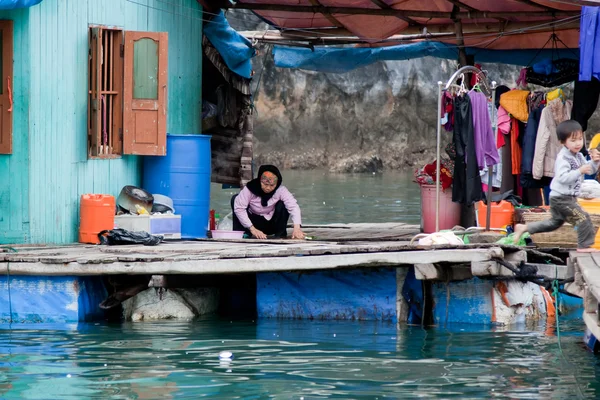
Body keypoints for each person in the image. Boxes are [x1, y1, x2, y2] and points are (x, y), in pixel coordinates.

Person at [513, 120, 600, 251]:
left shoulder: (579, 155)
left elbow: (589, 169)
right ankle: (584, 246)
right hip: (562, 198)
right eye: (573, 140)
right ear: (563, 142)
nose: (578, 143)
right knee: (583, 218)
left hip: (564, 198)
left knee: (554, 223)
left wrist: (595, 162)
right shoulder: (563, 158)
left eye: (580, 139)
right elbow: (563, 178)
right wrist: (579, 171)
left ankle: (525, 228)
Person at [231, 165, 305, 239]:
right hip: (252, 223)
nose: (268, 188)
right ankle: (243, 233)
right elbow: (239, 209)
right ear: (260, 181)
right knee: (235, 199)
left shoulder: (281, 190)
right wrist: (252, 229)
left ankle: (280, 234)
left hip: (271, 223)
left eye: (272, 185)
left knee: (282, 204)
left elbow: (293, 207)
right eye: (265, 184)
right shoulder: (249, 189)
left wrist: (297, 228)